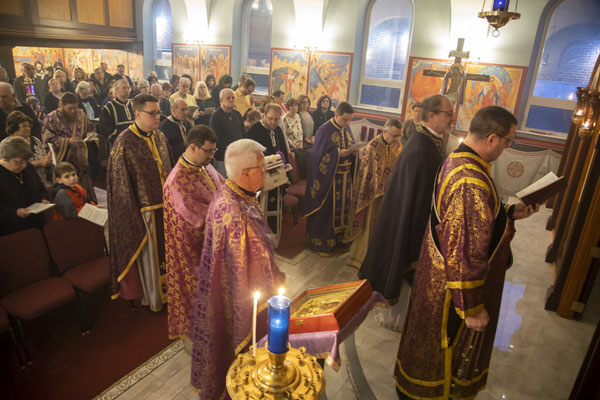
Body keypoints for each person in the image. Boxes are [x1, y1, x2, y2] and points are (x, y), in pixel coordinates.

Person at [394, 106, 539, 400]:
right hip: (451, 294)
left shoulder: (460, 159)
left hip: (439, 278)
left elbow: (477, 221)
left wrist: (509, 213)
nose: (507, 147)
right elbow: (464, 249)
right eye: (508, 140)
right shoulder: (470, 181)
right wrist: (470, 307)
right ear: (492, 138)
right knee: (442, 354)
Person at [190, 138, 285, 399]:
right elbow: (256, 269)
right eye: (262, 168)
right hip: (241, 300)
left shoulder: (229, 192)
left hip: (221, 293)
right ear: (246, 174)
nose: (266, 171)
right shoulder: (237, 215)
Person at [359, 94, 453, 332]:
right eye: (448, 114)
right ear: (431, 115)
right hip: (411, 219)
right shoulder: (422, 147)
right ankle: (397, 318)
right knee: (404, 261)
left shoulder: (427, 141)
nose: (452, 119)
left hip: (413, 215)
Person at [107, 94, 172, 312]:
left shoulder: (160, 136)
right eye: (152, 113)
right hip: (144, 213)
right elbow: (120, 186)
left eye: (158, 113)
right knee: (152, 260)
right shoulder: (123, 143)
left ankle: (172, 292)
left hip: (167, 208)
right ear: (137, 114)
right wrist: (132, 214)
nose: (157, 118)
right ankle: (156, 300)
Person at [163, 125, 223, 342]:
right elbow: (195, 222)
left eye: (214, 151)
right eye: (208, 151)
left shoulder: (204, 166)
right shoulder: (177, 182)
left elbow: (222, 188)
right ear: (193, 147)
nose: (212, 156)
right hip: (193, 256)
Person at [342, 118, 403, 268]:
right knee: (368, 226)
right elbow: (368, 174)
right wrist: (379, 189)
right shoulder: (373, 147)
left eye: (399, 136)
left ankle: (379, 258)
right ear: (385, 132)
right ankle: (361, 257)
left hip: (389, 195)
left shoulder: (397, 146)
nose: (396, 139)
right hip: (372, 196)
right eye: (394, 135)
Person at [304, 101, 357, 256]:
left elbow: (350, 144)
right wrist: (338, 153)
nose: (348, 123)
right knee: (327, 210)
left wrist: (354, 152)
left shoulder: (346, 128)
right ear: (336, 115)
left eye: (350, 120)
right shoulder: (324, 130)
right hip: (328, 180)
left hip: (345, 177)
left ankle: (338, 240)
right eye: (345, 119)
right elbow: (318, 156)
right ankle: (322, 243)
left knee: (343, 209)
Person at [42, 92, 98, 203]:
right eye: (69, 108)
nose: (73, 111)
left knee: (85, 190)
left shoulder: (81, 115)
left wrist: (89, 134)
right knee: (67, 197)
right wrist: (67, 141)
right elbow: (47, 140)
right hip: (63, 160)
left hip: (81, 158)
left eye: (75, 108)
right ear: (60, 105)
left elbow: (90, 128)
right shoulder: (51, 118)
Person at [246, 103, 291, 242]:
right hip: (260, 177)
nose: (273, 122)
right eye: (270, 118)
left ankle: (273, 234)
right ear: (264, 115)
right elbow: (250, 155)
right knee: (261, 208)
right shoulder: (255, 130)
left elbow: (283, 150)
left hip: (276, 177)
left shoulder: (277, 129)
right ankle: (258, 237)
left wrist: (284, 166)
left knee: (275, 205)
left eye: (276, 119)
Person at [0, 136, 50, 236]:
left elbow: (41, 189)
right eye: (18, 162)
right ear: (5, 158)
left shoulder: (28, 168)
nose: (23, 165)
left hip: (37, 223)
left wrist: (43, 199)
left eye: (25, 161)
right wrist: (15, 212)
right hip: (13, 229)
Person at [209, 88, 244, 176]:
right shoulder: (216, 116)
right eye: (228, 98)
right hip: (223, 157)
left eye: (233, 97)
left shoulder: (237, 114)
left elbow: (243, 133)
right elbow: (215, 137)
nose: (231, 100)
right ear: (221, 100)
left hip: (238, 156)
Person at [98, 79, 134, 144]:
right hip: (118, 143)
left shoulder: (134, 105)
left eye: (128, 88)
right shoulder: (108, 108)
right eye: (124, 88)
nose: (127, 90)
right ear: (117, 90)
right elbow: (105, 130)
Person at [159, 98, 191, 162]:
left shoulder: (187, 123)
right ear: (173, 110)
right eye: (182, 110)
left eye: (186, 109)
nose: (186, 112)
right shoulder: (165, 126)